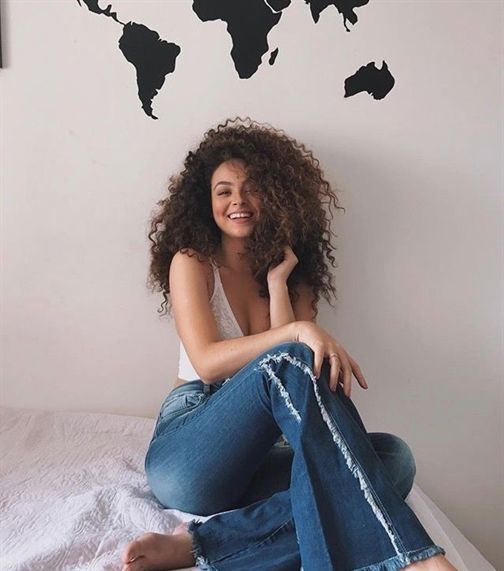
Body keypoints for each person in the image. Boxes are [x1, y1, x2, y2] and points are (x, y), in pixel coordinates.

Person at [121, 118, 456, 570]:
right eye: (223, 191)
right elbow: (208, 362)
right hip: (192, 453)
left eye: (252, 188)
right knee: (292, 358)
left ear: (276, 196)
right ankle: (417, 559)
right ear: (205, 201)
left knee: (392, 460)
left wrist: (278, 284)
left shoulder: (293, 278)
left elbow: (292, 372)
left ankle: (202, 546)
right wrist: (295, 332)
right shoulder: (192, 262)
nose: (238, 201)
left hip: (260, 455)